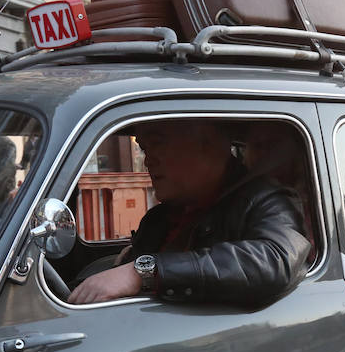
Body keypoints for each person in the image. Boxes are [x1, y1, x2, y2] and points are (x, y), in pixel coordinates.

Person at [67, 119, 311, 307]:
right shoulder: (158, 220)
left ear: (207, 144)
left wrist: (144, 272)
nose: (148, 161)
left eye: (158, 143)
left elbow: (276, 258)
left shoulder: (266, 199)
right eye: (144, 148)